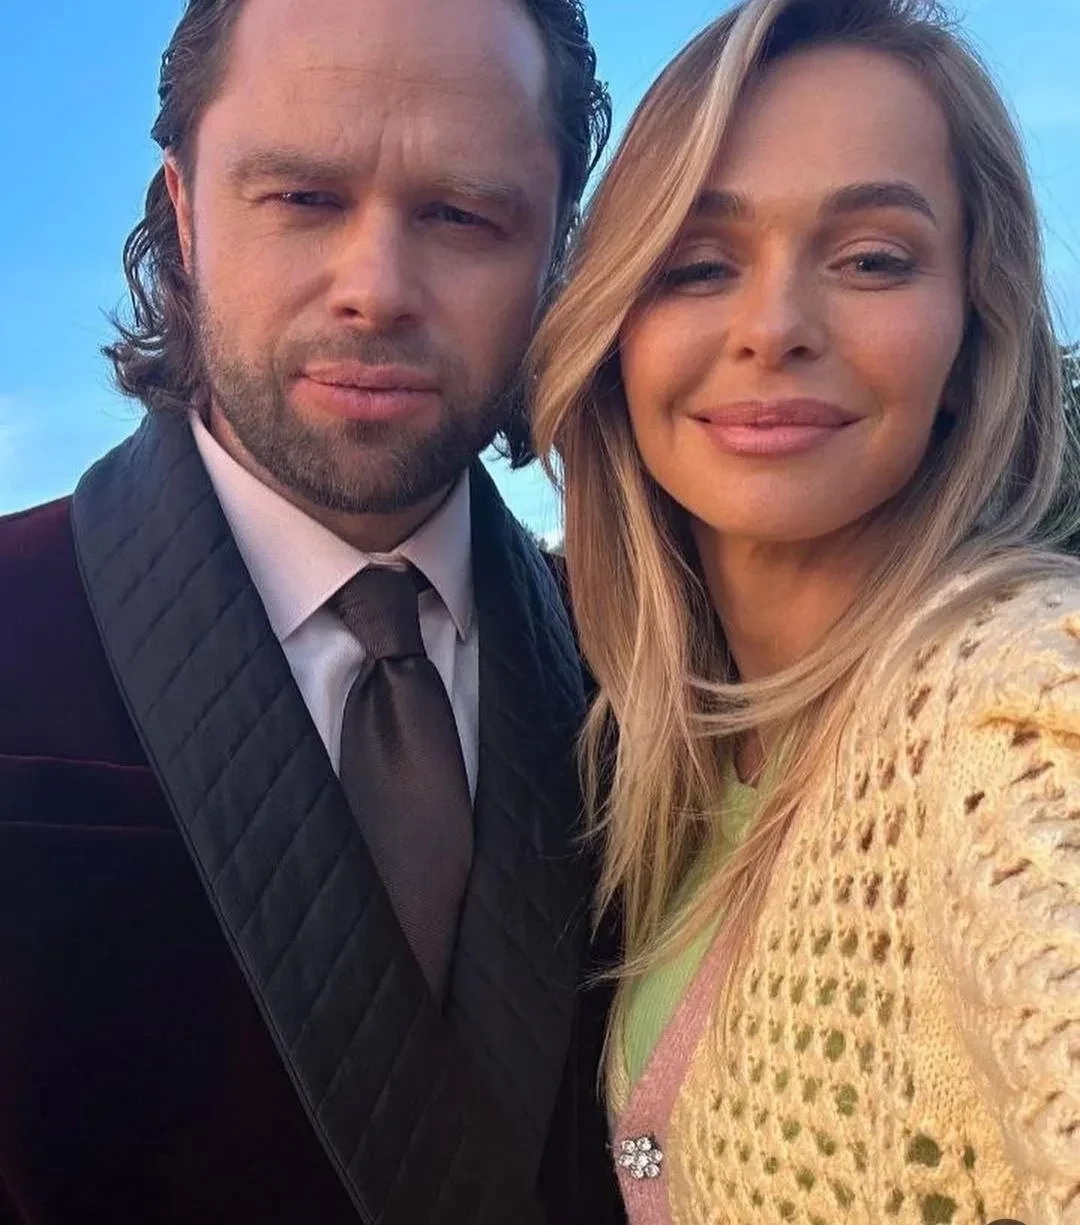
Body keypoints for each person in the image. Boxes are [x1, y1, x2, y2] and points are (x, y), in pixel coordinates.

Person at [0, 0, 622, 1222]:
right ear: (184, 216)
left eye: (462, 214)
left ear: (556, 253)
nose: (376, 291)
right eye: (300, 197)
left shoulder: (650, 685)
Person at [531, 0, 1080, 1219]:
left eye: (873, 258)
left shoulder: (1025, 721)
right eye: (698, 264)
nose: (774, 327)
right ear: (617, 331)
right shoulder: (646, 757)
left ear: (973, 326)